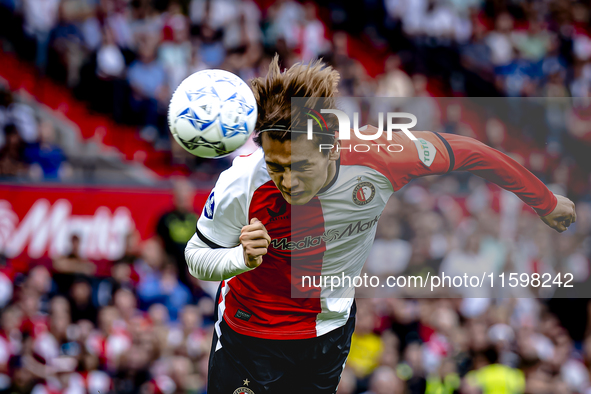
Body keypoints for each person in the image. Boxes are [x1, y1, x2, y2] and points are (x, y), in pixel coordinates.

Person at [184, 56, 577, 393]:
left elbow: (470, 153)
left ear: (331, 146)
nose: (287, 181)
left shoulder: (380, 156)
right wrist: (239, 259)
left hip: (327, 332)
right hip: (248, 336)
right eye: (277, 167)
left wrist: (543, 201)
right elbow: (196, 256)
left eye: (301, 166)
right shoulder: (241, 182)